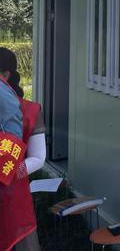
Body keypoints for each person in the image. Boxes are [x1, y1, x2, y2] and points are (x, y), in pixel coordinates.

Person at [0, 47, 45, 251]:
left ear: (6, 74)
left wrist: (12, 172)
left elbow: (38, 158)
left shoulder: (30, 110)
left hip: (14, 194)